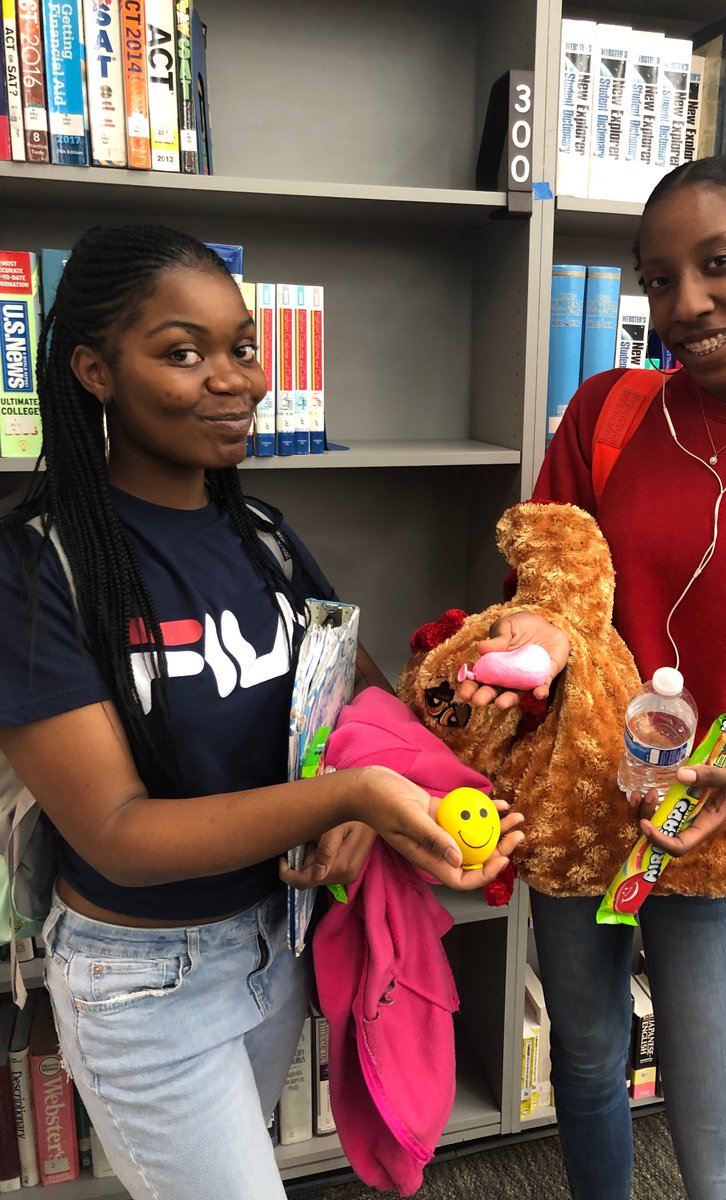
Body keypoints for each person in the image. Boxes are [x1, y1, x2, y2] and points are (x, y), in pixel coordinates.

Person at [0, 224, 523, 1200]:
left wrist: (369, 799)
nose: (233, 377)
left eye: (240, 346)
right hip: (143, 982)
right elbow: (116, 835)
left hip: (271, 943)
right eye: (182, 353)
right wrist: (349, 799)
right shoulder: (39, 569)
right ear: (94, 372)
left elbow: (358, 703)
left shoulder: (265, 539)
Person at [459, 150, 726, 1200]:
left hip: (716, 829)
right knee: (585, 1063)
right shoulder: (607, 413)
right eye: (659, 279)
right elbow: (545, 582)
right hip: (580, 811)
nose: (686, 304)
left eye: (719, 265)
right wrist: (521, 647)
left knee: (723, 1159)